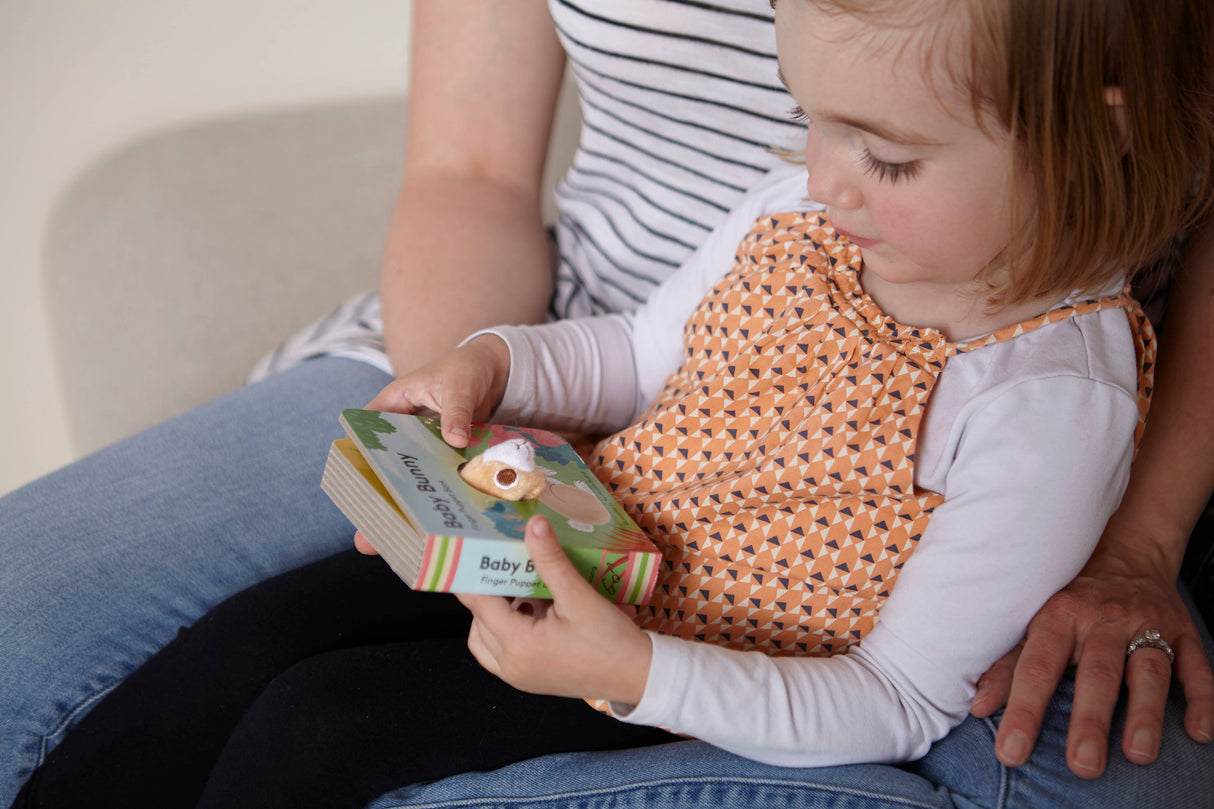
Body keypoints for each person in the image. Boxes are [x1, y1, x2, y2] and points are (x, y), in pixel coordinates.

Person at [10, 1, 1214, 808]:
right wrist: (492, 366)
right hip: (584, 535)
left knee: (320, 723)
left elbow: (896, 695)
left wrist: (640, 672)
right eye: (808, 119)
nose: (822, 173)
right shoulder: (799, 211)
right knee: (253, 636)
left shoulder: (1050, 400)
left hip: (690, 661)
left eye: (885, 156)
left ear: (1094, 136)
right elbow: (637, 352)